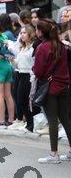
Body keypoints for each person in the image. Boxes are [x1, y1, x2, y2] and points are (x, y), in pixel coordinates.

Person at [32, 19, 71, 163]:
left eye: (37, 29)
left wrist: (34, 69)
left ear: (41, 32)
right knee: (66, 119)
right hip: (63, 86)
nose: (36, 31)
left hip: (50, 87)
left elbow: (38, 71)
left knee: (52, 120)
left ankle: (54, 154)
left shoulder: (42, 48)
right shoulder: (61, 45)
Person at [8, 25, 35, 133]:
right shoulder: (22, 48)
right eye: (21, 33)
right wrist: (11, 60)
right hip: (20, 74)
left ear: (30, 34)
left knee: (25, 101)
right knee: (20, 100)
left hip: (29, 75)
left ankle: (30, 124)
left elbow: (34, 63)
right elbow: (18, 64)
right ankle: (29, 123)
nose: (22, 35)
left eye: (24, 33)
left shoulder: (33, 47)